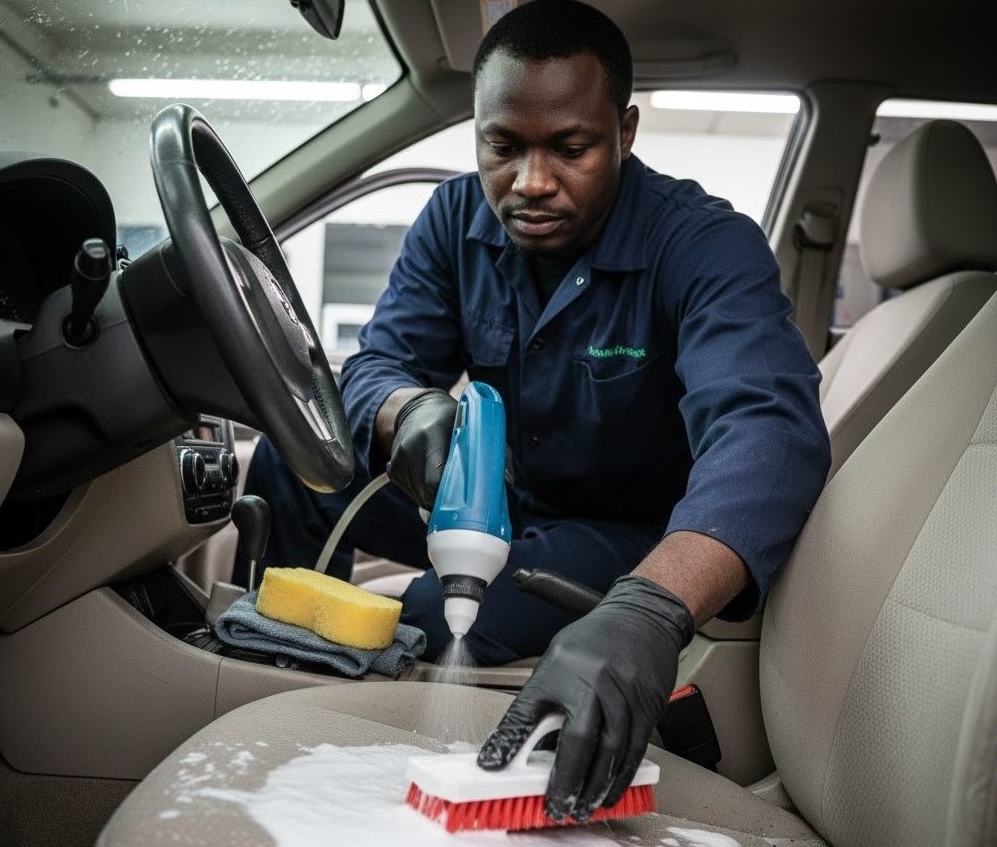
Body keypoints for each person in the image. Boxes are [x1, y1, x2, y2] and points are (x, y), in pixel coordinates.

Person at [236, 0, 830, 821]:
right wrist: (407, 410)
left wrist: (652, 607)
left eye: (571, 149)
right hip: (493, 497)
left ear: (623, 131)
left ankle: (358, 716)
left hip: (621, 535)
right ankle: (264, 673)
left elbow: (768, 432)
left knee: (435, 617)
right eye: (504, 147)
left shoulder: (703, 245)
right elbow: (377, 365)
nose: (532, 181)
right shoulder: (455, 219)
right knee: (296, 462)